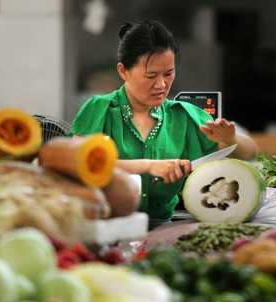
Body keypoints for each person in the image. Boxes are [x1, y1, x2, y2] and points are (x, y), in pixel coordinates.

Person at [70, 20, 258, 227]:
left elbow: (250, 152)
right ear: (123, 71)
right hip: (106, 227)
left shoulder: (183, 116)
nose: (161, 85)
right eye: (150, 76)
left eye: (168, 74)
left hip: (164, 229)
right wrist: (148, 166)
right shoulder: (99, 109)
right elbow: (77, 165)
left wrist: (230, 139)